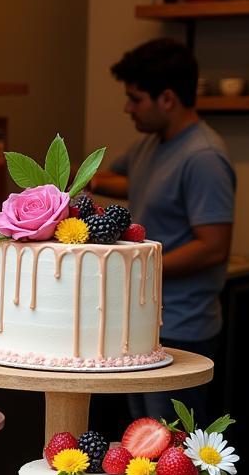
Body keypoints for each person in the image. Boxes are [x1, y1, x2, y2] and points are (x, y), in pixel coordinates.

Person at [91, 38, 234, 424]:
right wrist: (63, 181)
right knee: (142, 443)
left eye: (135, 99)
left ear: (167, 99)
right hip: (143, 325)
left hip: (182, 328)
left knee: (168, 447)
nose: (127, 107)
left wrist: (139, 270)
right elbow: (135, 185)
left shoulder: (204, 157)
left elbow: (213, 247)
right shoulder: (149, 147)